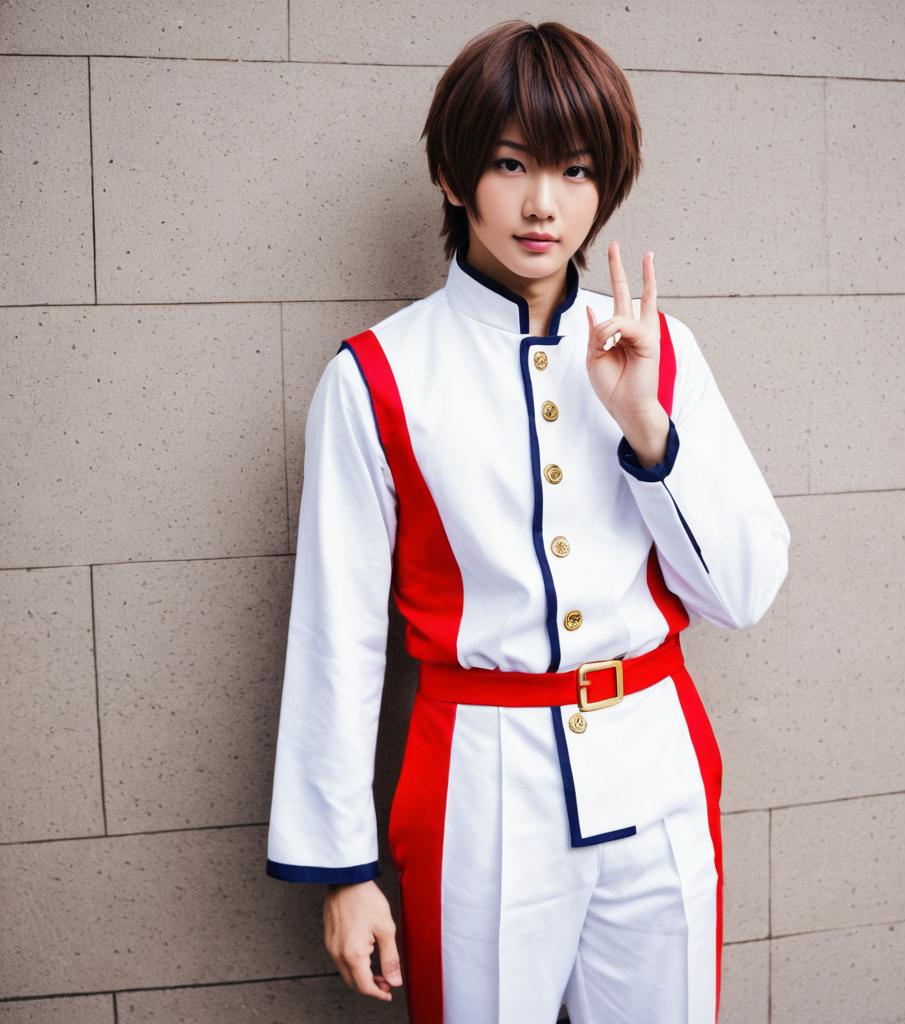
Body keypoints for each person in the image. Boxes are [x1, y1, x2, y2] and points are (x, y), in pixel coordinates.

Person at [265, 19, 790, 1024]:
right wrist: (344, 870)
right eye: (511, 164)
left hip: (656, 761)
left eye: (576, 170)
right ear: (454, 175)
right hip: (479, 779)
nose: (544, 203)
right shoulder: (376, 376)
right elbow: (337, 634)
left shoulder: (663, 352)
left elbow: (744, 590)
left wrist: (647, 431)